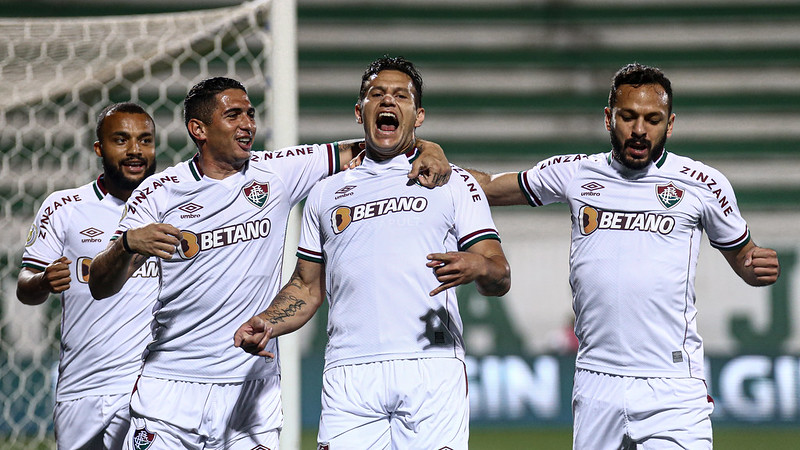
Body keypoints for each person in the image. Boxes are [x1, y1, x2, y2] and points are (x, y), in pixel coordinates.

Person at [87, 76, 450, 450]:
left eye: (250, 114)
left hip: (251, 388)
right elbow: (101, 284)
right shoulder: (158, 191)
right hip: (171, 387)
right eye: (233, 115)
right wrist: (128, 244)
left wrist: (428, 145)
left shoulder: (277, 171)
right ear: (199, 129)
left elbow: (373, 145)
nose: (248, 125)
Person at [469, 63, 781, 449]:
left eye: (652, 119)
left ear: (670, 124)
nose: (638, 130)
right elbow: (488, 188)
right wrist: (422, 158)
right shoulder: (577, 173)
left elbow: (745, 258)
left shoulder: (703, 183)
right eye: (627, 116)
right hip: (596, 380)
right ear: (608, 117)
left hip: (671, 383)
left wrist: (756, 267)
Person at [234, 56, 511, 449]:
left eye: (401, 96)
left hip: (431, 368)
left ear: (418, 116)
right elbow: (306, 287)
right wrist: (269, 322)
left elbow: (500, 276)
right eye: (376, 94)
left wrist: (478, 265)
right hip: (349, 372)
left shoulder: (452, 182)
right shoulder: (325, 193)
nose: (388, 102)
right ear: (358, 111)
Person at [16, 102, 159, 450]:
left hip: (150, 386)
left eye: (145, 140)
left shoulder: (175, 207)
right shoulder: (64, 207)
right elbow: (25, 286)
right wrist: (42, 281)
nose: (135, 150)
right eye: (121, 140)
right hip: (82, 388)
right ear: (99, 148)